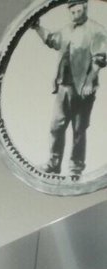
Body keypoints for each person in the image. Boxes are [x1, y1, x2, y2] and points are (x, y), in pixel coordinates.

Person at [33, 1, 107, 180]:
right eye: (72, 11)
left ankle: (75, 169)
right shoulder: (67, 30)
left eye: (78, 10)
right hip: (63, 87)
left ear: (85, 7)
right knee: (56, 127)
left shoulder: (97, 30)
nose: (75, 14)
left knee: (79, 129)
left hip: (82, 89)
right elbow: (51, 40)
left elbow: (100, 59)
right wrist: (37, 28)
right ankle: (53, 163)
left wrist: (89, 82)